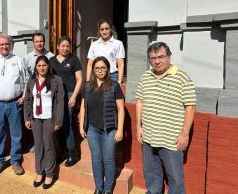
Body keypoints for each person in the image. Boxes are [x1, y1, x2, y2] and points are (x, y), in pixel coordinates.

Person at [136, 42, 196, 194]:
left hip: (171, 140)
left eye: (161, 57)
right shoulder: (145, 76)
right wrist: (138, 126)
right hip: (148, 138)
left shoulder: (181, 76)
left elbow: (190, 106)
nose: (157, 61)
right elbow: (140, 101)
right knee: (151, 177)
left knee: (175, 181)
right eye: (153, 58)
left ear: (169, 56)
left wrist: (185, 133)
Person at [0, 33, 30, 176]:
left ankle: (15, 162)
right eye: (1, 44)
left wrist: (23, 96)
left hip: (14, 104)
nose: (4, 46)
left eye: (7, 44)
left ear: (11, 45)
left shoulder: (18, 60)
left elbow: (27, 80)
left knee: (16, 135)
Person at [79, 56, 125, 194]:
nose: (100, 70)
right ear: (93, 70)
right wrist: (81, 126)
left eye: (103, 67)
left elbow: (121, 108)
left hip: (109, 129)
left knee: (109, 160)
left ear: (108, 69)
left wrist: (120, 130)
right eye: (97, 68)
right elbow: (83, 107)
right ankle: (98, 188)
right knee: (96, 159)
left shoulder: (114, 85)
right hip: (92, 128)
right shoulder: (87, 86)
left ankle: (108, 189)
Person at [24, 56, 64, 189]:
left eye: (44, 65)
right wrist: (27, 118)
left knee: (48, 145)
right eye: (39, 65)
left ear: (48, 66)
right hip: (36, 118)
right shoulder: (31, 81)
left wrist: (58, 120)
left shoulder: (56, 80)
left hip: (49, 118)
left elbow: (60, 102)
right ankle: (39, 172)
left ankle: (49, 173)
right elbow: (28, 100)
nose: (42, 68)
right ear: (36, 67)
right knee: (39, 145)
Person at [49, 36, 83, 167]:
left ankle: (71, 153)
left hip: (69, 95)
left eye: (67, 46)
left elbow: (79, 79)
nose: (65, 48)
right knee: (57, 124)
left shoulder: (74, 60)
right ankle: (61, 151)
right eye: (62, 46)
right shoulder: (51, 60)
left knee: (67, 123)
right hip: (55, 96)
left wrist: (74, 96)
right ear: (58, 47)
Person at [24, 33, 55, 153]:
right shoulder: (27, 59)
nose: (40, 43)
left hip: (47, 94)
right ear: (33, 43)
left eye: (41, 41)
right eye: (37, 41)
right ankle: (36, 143)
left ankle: (49, 146)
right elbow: (25, 78)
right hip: (33, 94)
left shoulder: (51, 56)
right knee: (35, 120)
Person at [86, 19, 125, 84]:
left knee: (110, 94)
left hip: (112, 76)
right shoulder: (94, 45)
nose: (104, 31)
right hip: (97, 76)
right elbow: (89, 64)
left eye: (106, 29)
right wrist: (87, 81)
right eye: (102, 29)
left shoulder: (118, 44)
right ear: (99, 31)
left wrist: (119, 81)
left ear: (111, 29)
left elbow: (120, 64)